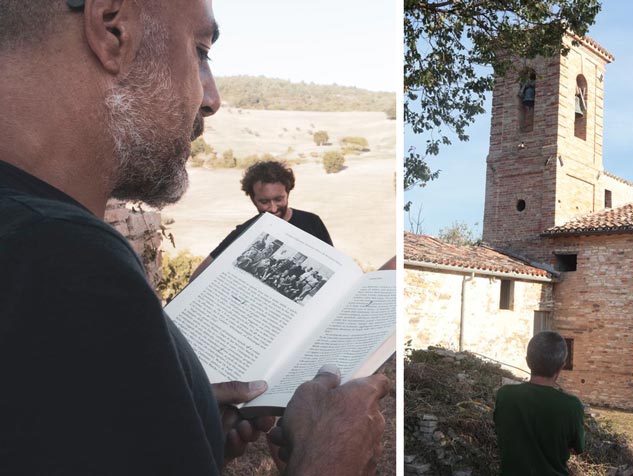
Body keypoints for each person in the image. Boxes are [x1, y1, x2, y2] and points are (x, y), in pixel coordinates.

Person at [0, 0, 388, 474]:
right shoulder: (64, 260)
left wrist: (182, 430)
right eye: (201, 51)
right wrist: (330, 457)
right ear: (112, 29)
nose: (211, 98)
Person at [190, 160, 332, 280]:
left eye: (279, 199)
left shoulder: (312, 222)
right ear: (253, 199)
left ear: (287, 193)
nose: (273, 208)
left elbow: (334, 268)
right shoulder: (244, 232)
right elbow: (196, 277)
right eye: (264, 201)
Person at [494, 331, 585, 476]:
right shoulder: (572, 406)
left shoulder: (505, 395)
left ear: (528, 361)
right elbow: (577, 448)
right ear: (562, 366)